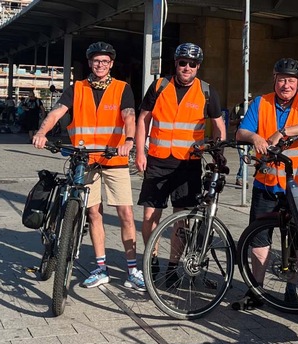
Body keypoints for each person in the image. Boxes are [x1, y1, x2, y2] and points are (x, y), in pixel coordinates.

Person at [32, 42, 143, 290]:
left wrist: (128, 140)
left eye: (105, 61)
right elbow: (57, 112)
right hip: (85, 160)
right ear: (90, 63)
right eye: (96, 61)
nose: (100, 65)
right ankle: (101, 267)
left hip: (114, 158)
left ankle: (133, 269)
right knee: (93, 213)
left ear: (111, 64)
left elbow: (129, 116)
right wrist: (41, 132)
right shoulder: (77, 88)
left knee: (125, 212)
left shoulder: (122, 88)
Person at [232, 58, 298, 308]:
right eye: (282, 79)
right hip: (266, 184)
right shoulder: (261, 103)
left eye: (291, 80)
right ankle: (256, 290)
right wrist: (255, 137)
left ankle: (292, 286)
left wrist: (283, 132)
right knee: (259, 238)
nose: (286, 85)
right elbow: (241, 132)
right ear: (274, 79)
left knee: (296, 239)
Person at [134, 43, 226, 285]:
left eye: (192, 64)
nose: (187, 67)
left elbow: (218, 124)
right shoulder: (159, 86)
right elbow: (143, 119)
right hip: (157, 160)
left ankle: (173, 268)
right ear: (175, 63)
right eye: (182, 62)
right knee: (149, 215)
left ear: (198, 67)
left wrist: (219, 150)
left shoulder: (207, 91)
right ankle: (152, 259)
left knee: (182, 218)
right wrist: (139, 152)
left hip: (188, 164)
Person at [229, 96, 251, 187]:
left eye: (250, 100)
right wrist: (239, 120)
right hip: (240, 138)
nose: (248, 102)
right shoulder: (238, 108)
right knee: (243, 158)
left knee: (247, 157)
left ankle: (240, 177)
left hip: (251, 138)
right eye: (247, 99)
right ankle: (242, 179)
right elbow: (230, 122)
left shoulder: (253, 108)